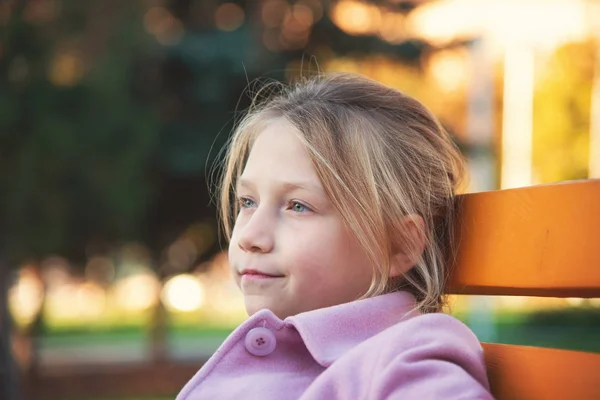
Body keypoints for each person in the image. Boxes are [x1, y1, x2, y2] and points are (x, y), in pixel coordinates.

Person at [177, 73, 493, 399]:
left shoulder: (406, 356)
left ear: (400, 245)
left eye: (298, 206)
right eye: (248, 202)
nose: (250, 237)